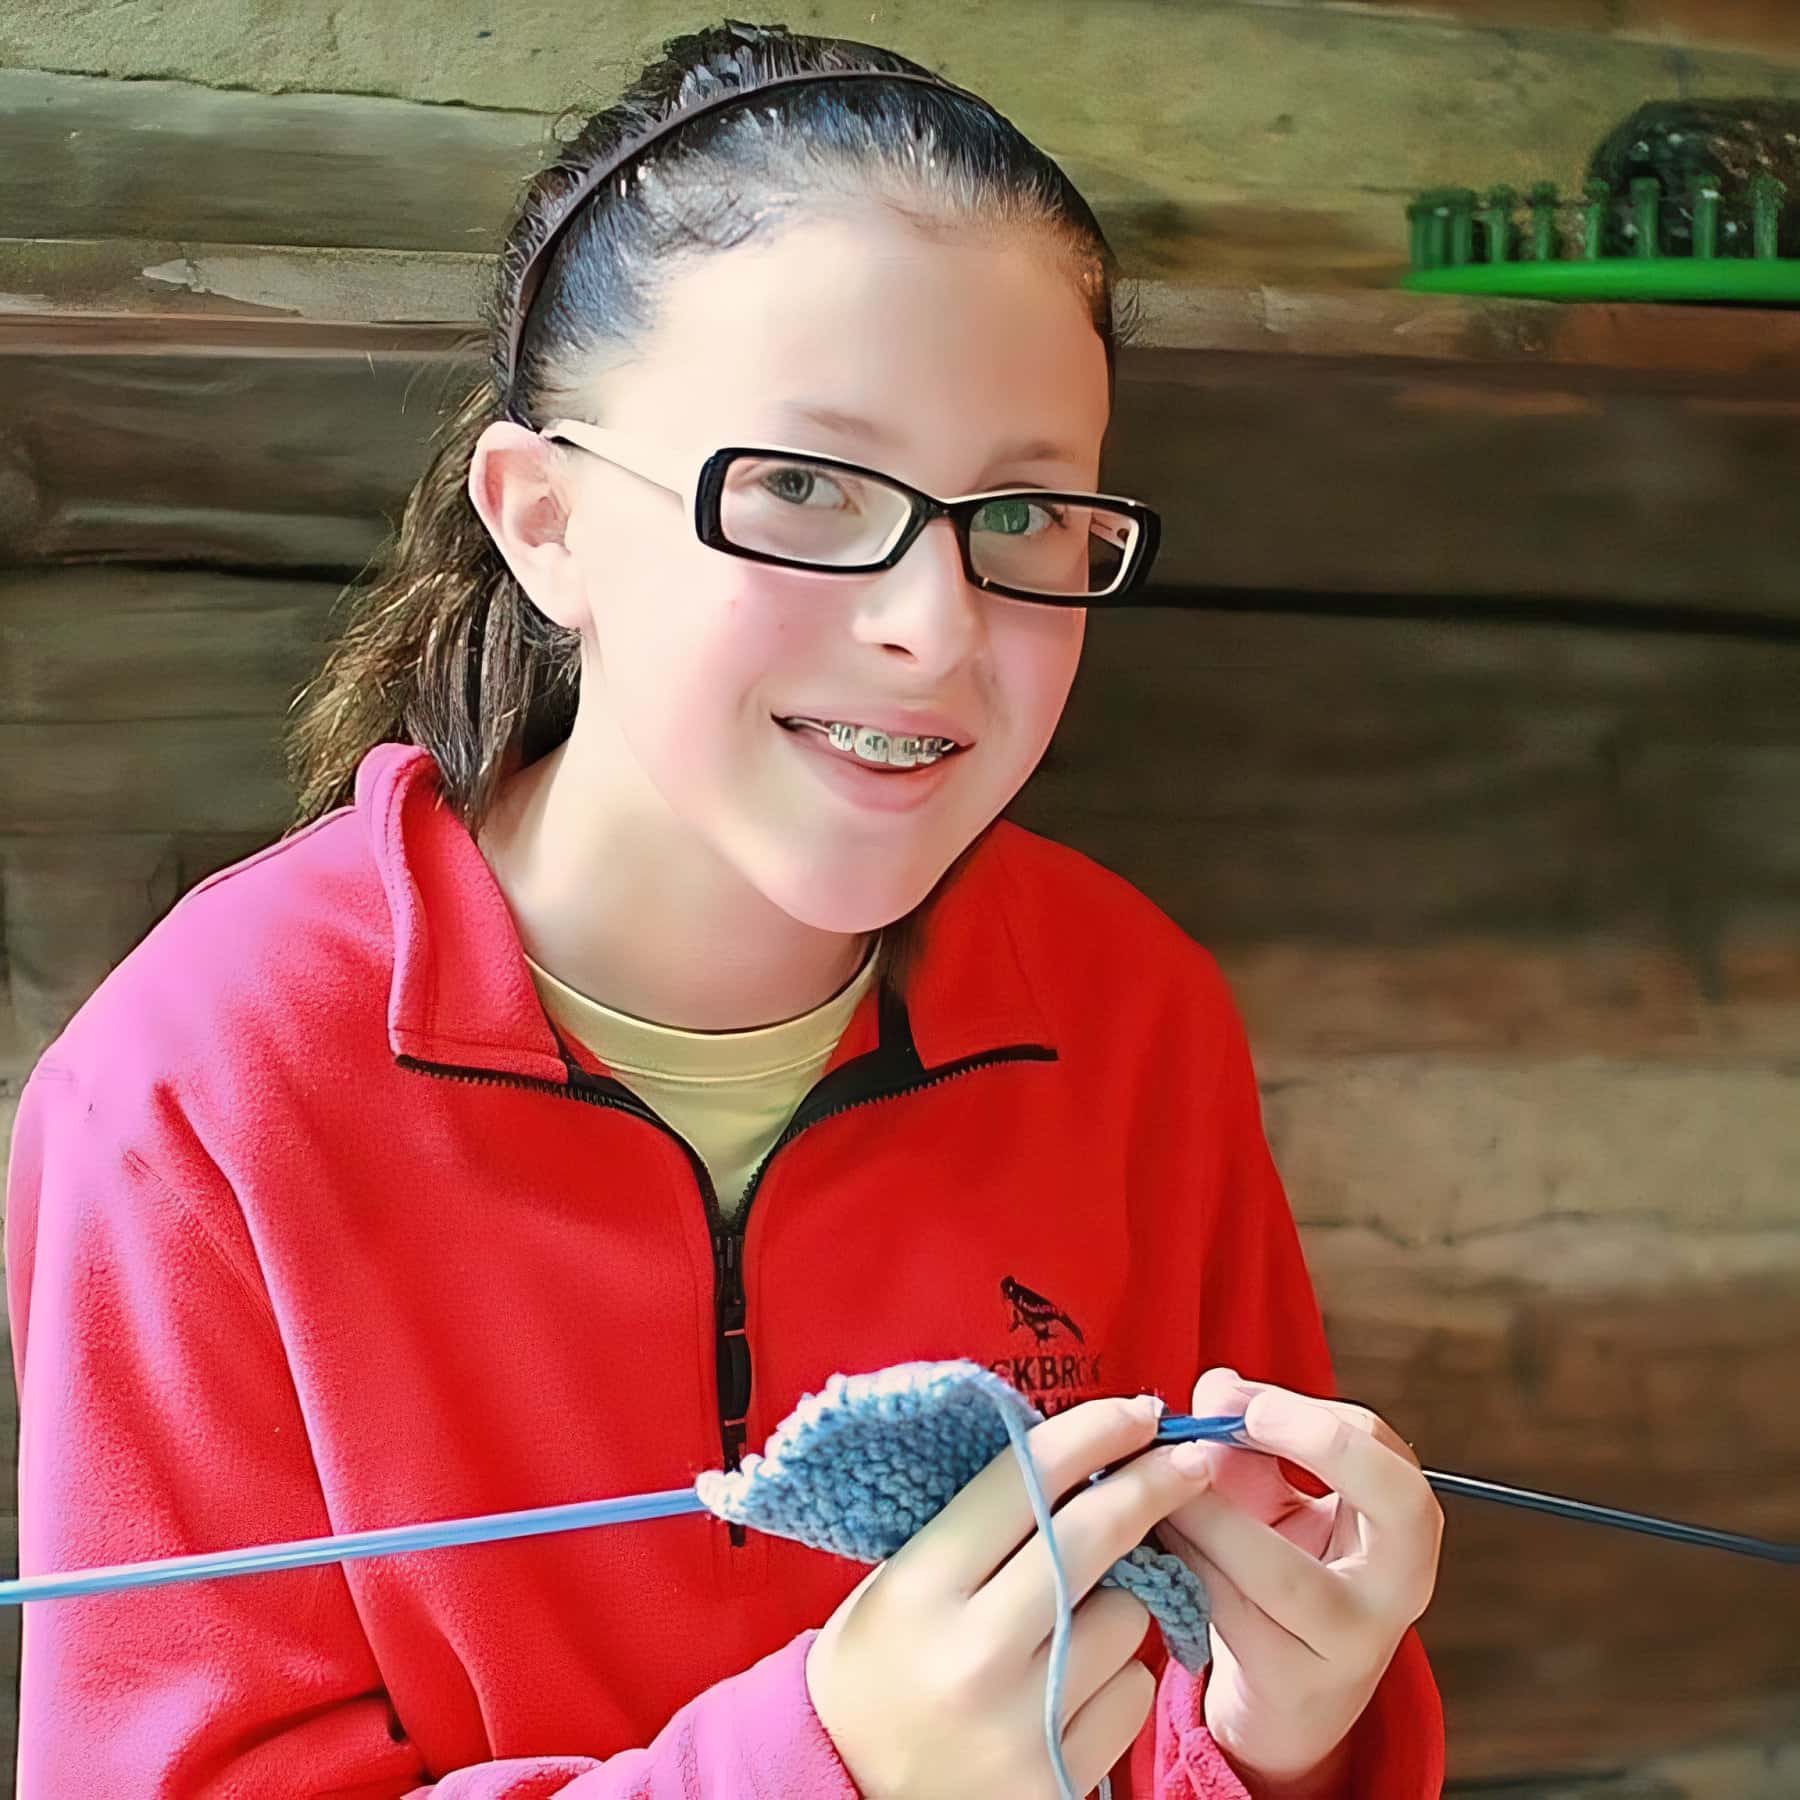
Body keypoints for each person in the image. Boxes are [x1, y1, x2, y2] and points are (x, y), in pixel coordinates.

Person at [5, 20, 1445, 1799]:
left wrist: (1279, 1739)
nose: (934, 623)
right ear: (543, 524)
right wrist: (826, 1769)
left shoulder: (1132, 1010)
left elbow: (1196, 1713)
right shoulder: (193, 1087)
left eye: (1022, 512)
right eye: (800, 488)